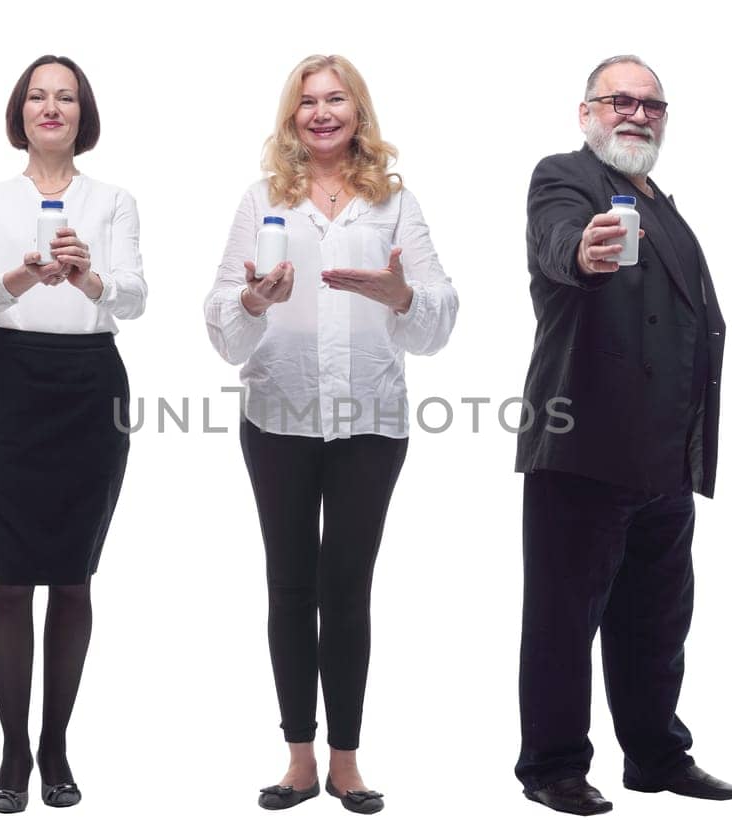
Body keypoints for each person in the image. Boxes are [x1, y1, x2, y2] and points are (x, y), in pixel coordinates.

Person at [204, 53, 457, 815]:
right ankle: (298, 758)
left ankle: (346, 760)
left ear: (358, 112)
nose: (321, 112)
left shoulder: (395, 204)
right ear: (291, 117)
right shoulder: (262, 199)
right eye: (307, 101)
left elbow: (438, 317)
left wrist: (401, 292)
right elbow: (221, 323)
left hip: (370, 425)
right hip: (277, 418)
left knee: (347, 589)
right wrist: (250, 300)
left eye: (335, 100)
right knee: (291, 586)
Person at [514, 54, 732, 816]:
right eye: (620, 101)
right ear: (588, 113)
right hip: (583, 446)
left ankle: (655, 756)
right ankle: (551, 767)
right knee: (561, 621)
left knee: (656, 624)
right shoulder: (565, 178)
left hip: (666, 460)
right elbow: (560, 240)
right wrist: (582, 250)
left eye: (651, 105)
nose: (637, 114)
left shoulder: (668, 208)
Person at [0, 54, 146, 814]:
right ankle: (11, 753)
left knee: (73, 575)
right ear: (20, 112)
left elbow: (133, 296)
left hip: (91, 386)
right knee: (8, 575)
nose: (51, 107)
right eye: (38, 96)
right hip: (10, 385)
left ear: (82, 113)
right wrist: (21, 279)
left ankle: (57, 747)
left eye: (65, 96)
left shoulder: (114, 200)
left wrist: (89, 276)